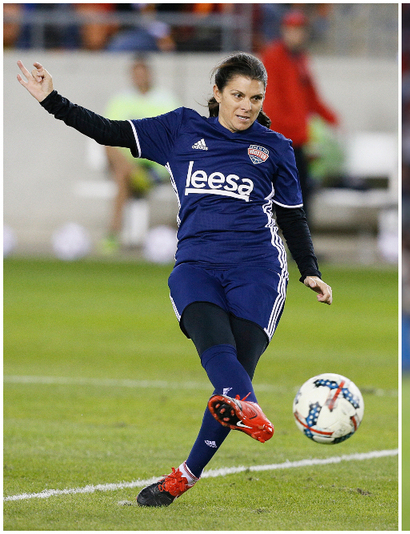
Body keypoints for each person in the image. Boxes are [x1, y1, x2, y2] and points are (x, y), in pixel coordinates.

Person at [17, 53, 333, 507]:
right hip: (196, 263)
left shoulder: (275, 148)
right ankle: (251, 408)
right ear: (218, 93)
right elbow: (110, 131)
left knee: (230, 385)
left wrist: (311, 272)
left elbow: (292, 216)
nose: (246, 105)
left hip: (258, 271)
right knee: (221, 363)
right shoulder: (181, 128)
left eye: (255, 98)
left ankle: (185, 475)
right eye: (238, 95)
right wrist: (52, 100)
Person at [259, 8, 339, 230]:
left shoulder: (301, 59)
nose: (296, 35)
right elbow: (272, 102)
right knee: (284, 194)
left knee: (300, 193)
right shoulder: (274, 57)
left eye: (299, 30)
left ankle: (301, 246)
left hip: (297, 139)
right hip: (283, 139)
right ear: (284, 31)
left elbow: (311, 97)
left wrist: (331, 118)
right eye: (292, 30)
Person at [103, 54, 179, 252]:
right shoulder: (121, 100)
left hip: (157, 164)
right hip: (129, 164)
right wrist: (130, 168)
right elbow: (108, 137)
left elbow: (176, 136)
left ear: (150, 75)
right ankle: (113, 233)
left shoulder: (165, 99)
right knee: (121, 172)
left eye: (142, 73)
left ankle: (191, 234)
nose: (140, 78)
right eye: (135, 74)